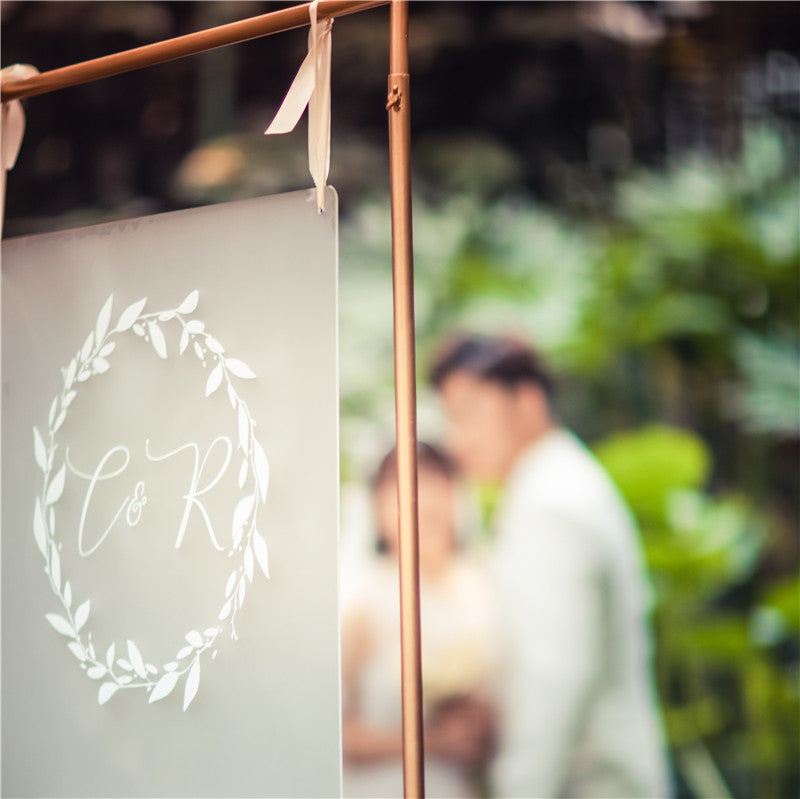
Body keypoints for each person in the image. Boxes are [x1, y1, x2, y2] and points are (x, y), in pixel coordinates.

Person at [430, 334, 672, 799]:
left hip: (592, 783)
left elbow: (557, 675)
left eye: (469, 414)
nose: (458, 441)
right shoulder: (560, 479)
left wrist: (518, 787)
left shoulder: (548, 502)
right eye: (451, 420)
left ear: (527, 400)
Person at [341, 442, 497, 799]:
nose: (420, 501)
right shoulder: (362, 601)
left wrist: (480, 725)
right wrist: (434, 740)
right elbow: (333, 730)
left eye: (432, 483)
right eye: (397, 488)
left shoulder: (482, 588)